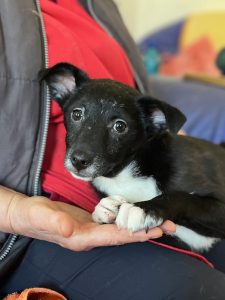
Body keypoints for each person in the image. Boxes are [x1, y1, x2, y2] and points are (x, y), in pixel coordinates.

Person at [0, 1, 225, 299]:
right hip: (29, 230)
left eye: (117, 127)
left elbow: (136, 96)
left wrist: (173, 139)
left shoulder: (98, 4)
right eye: (77, 115)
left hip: (138, 186)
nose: (82, 152)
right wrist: (17, 211)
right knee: (194, 289)